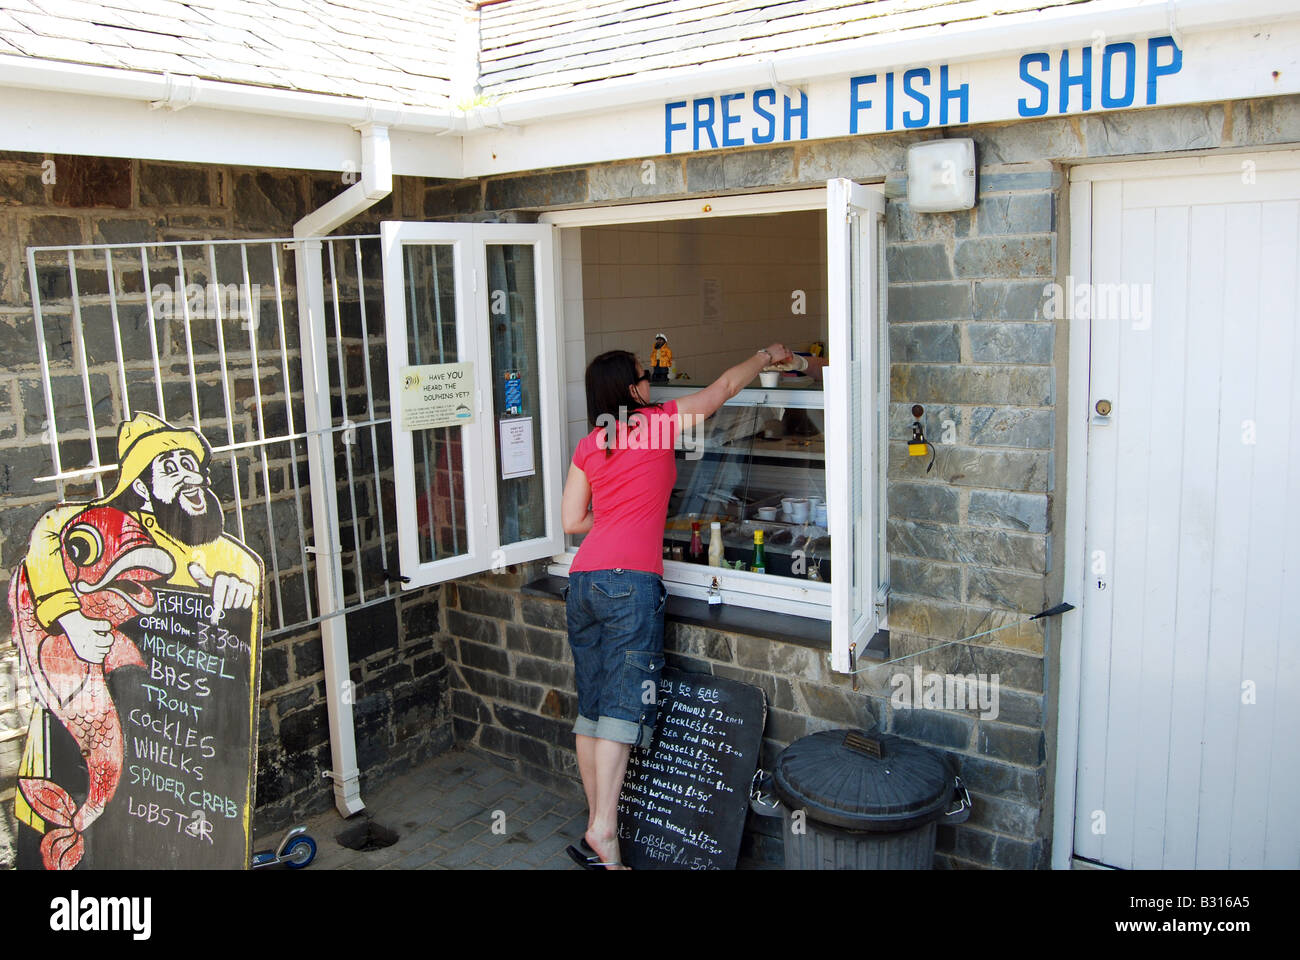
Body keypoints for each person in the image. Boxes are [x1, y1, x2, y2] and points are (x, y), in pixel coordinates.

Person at [560, 342, 792, 869]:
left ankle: (597, 828)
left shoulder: (590, 444)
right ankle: (603, 829)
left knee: (591, 709)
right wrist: (764, 356)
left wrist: (617, 516)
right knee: (620, 710)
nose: (652, 384)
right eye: (645, 377)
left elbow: (573, 521)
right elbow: (723, 392)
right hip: (630, 584)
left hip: (583, 582)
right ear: (631, 388)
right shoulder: (656, 424)